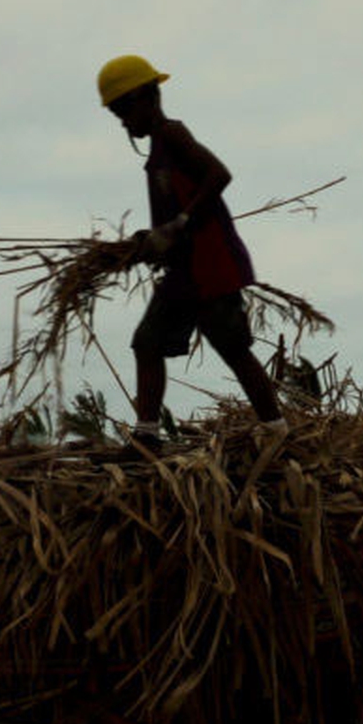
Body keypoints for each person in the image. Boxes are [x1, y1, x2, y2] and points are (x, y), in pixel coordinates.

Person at [97, 53, 287, 453]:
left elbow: (220, 174)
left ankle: (276, 430)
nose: (121, 122)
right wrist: (148, 241)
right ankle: (147, 435)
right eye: (115, 113)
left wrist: (179, 224)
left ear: (146, 98)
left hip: (210, 266)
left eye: (122, 110)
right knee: (147, 342)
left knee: (233, 348)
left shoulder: (173, 136)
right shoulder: (157, 152)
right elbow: (173, 209)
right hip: (183, 271)